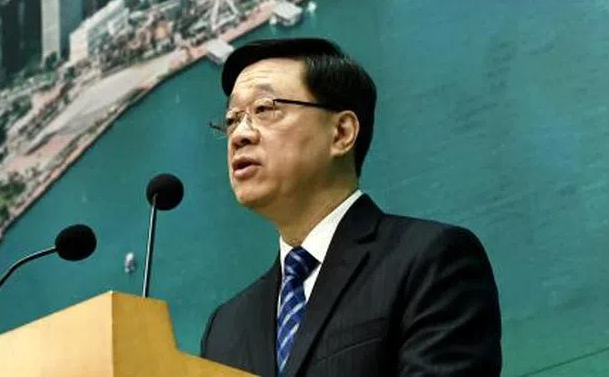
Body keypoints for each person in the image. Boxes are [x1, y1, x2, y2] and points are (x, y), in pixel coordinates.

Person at [200, 37, 502, 377]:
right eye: (232, 119)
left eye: (264, 109)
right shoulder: (224, 329)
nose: (240, 135)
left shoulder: (430, 261)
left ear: (342, 133)